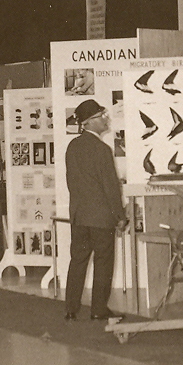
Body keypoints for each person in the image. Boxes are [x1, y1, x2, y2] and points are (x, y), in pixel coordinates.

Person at [63, 98, 126, 321]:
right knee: (103, 262)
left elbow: (72, 182)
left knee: (78, 260)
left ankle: (71, 308)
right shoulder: (102, 149)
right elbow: (110, 187)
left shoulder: (72, 147)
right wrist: (120, 216)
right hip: (101, 218)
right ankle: (98, 309)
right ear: (89, 122)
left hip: (80, 216)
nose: (105, 119)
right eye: (101, 116)